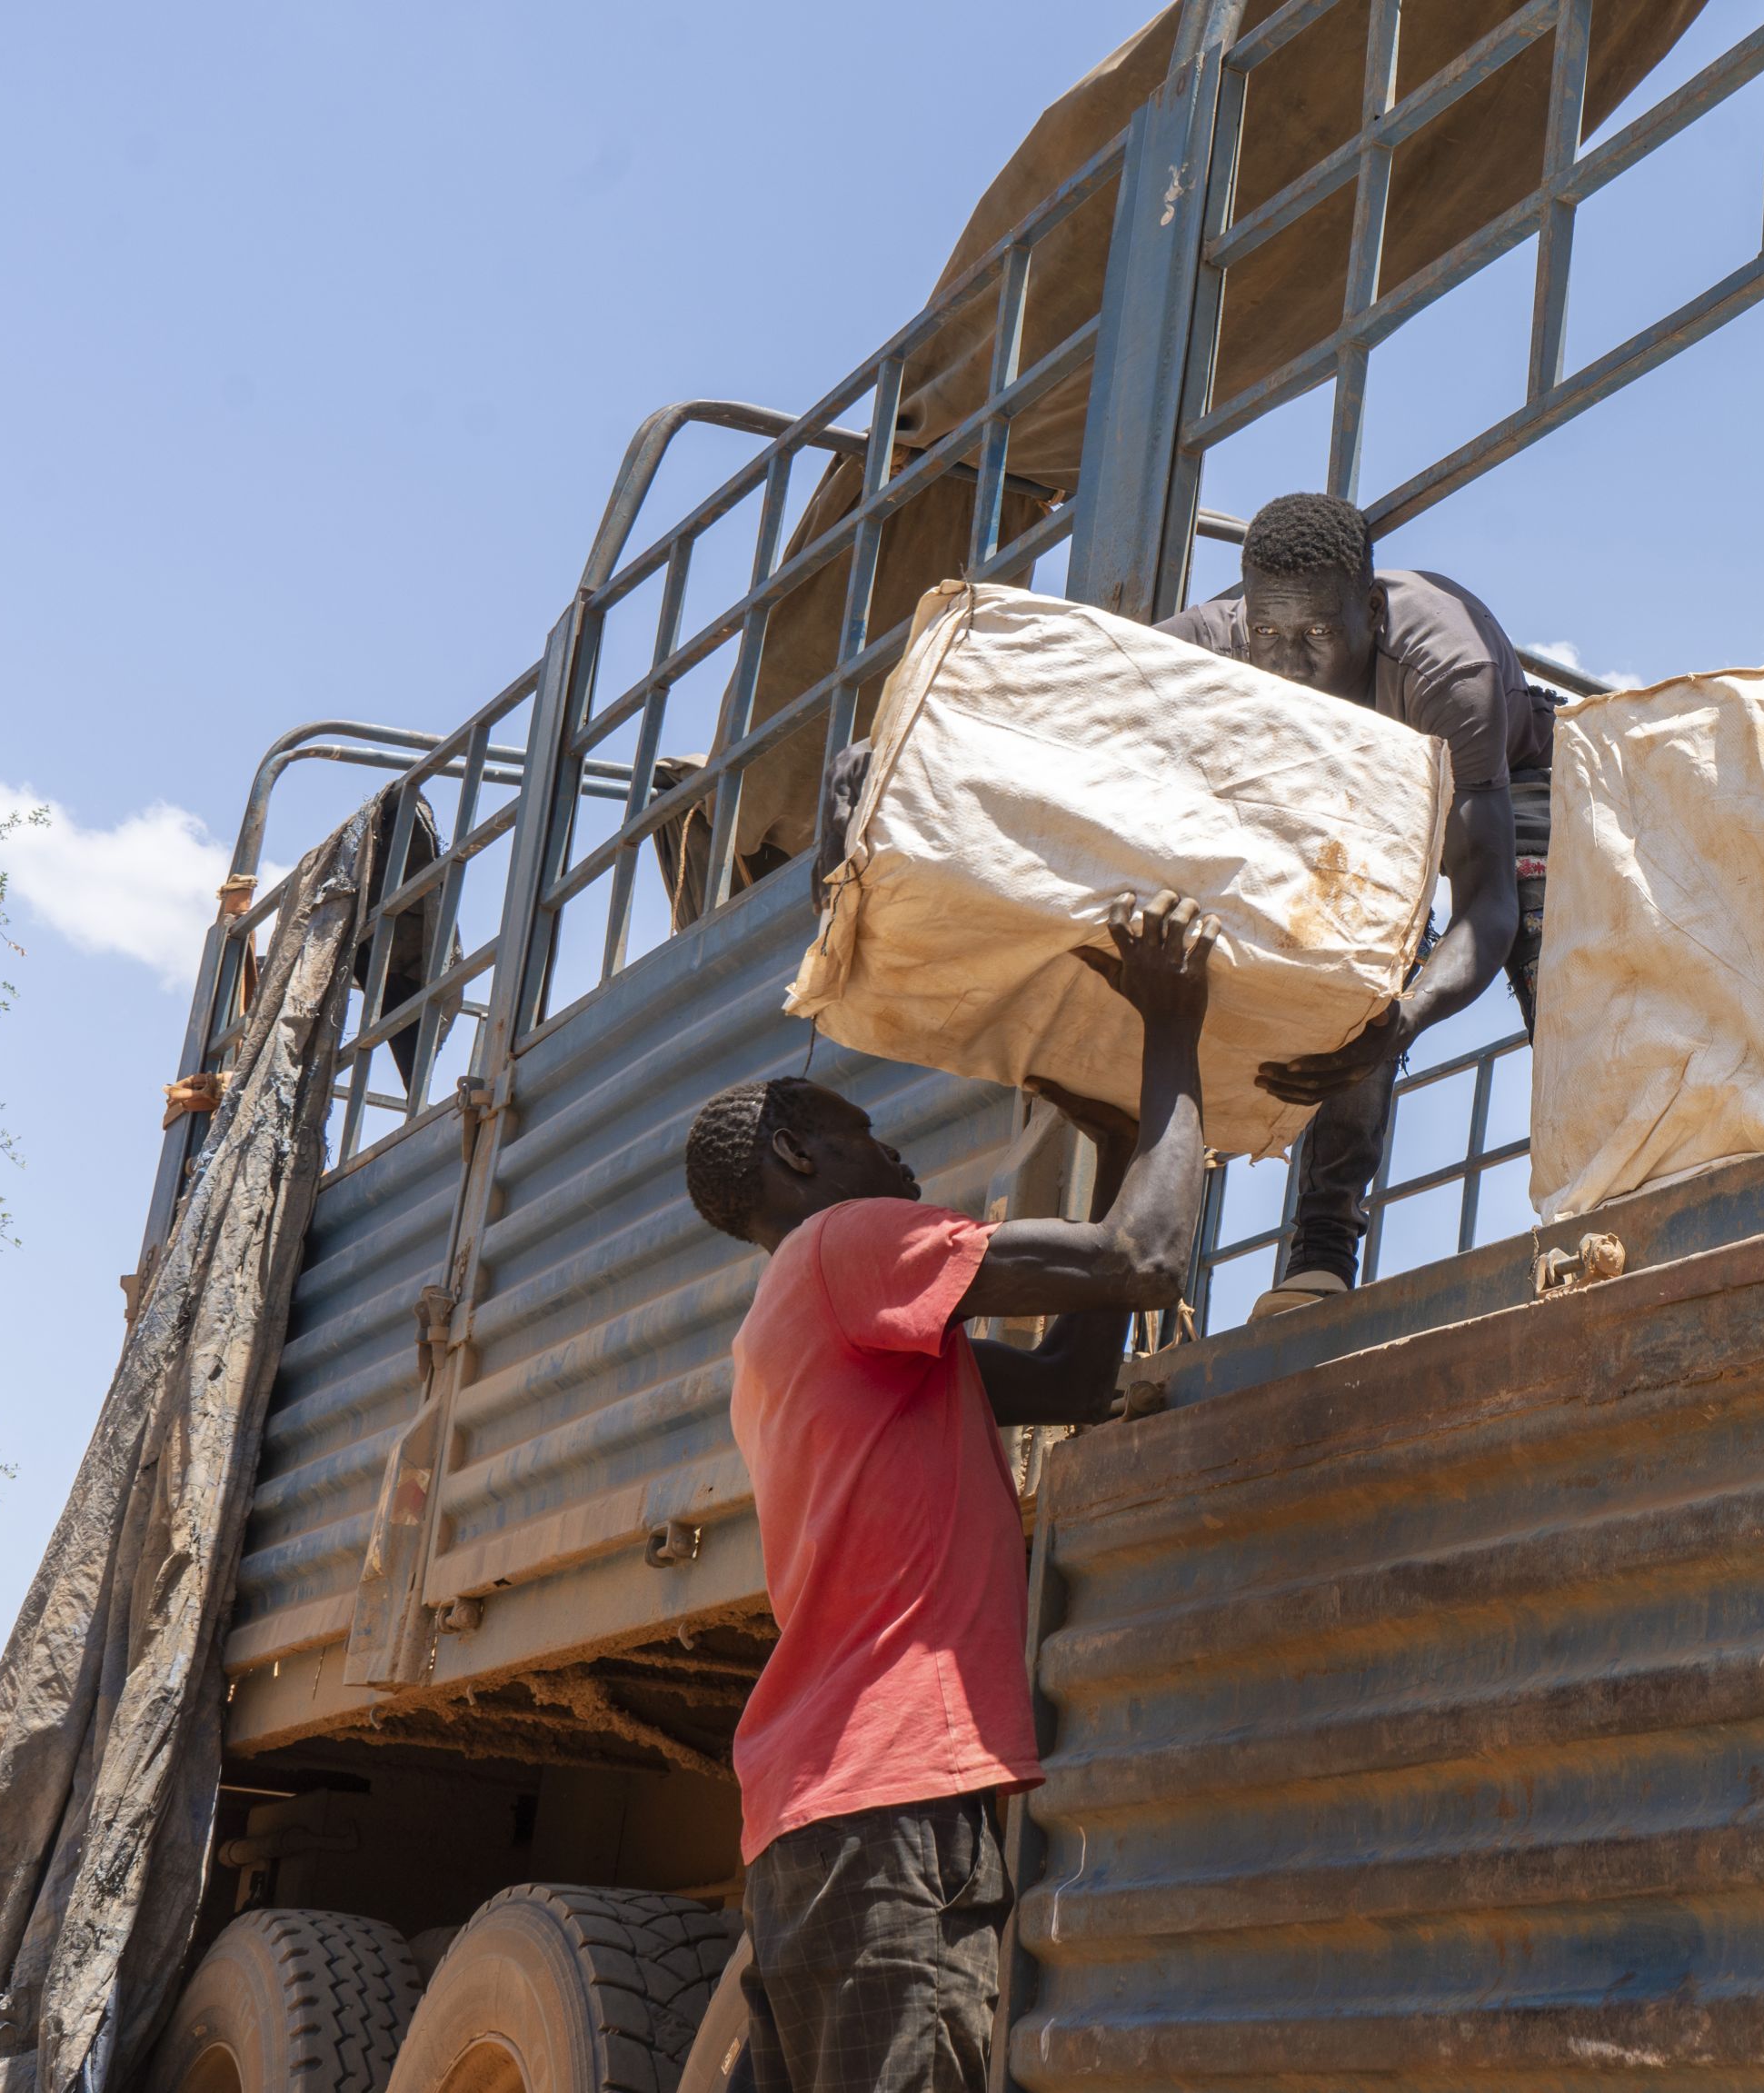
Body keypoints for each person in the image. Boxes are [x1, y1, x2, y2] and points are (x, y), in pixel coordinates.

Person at [678, 891, 1215, 2093]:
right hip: (885, 1802)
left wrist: (1130, 1122)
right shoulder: (847, 1242)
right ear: (798, 1155)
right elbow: (1143, 1262)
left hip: (818, 1811)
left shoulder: (797, 1327)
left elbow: (1074, 1378)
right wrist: (1176, 1032)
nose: (900, 1155)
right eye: (868, 1133)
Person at [1157, 491, 1543, 1318]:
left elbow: (1488, 909)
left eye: (1319, 638)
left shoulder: (1449, 673)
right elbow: (1068, 681)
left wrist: (1399, 1020)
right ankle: (1321, 1257)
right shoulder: (1222, 641)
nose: (1288, 664)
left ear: (1371, 611)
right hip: (1354, 799)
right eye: (1269, 634)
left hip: (1502, 778)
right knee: (1352, 950)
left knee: (1546, 948)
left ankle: (1598, 1186)